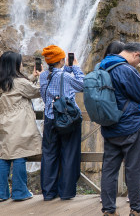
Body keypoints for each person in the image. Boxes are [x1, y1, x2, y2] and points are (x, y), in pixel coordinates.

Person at [98, 42, 140, 216]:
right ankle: (136, 210)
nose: (138, 65)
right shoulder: (125, 69)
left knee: (109, 169)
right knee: (134, 168)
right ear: (137, 55)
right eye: (139, 61)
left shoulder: (102, 66)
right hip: (129, 125)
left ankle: (108, 210)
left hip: (109, 125)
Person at [39, 44, 84, 201]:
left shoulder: (43, 76)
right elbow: (83, 85)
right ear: (61, 60)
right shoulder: (65, 76)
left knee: (49, 154)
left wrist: (67, 70)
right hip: (68, 120)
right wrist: (76, 68)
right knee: (69, 154)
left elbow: (45, 97)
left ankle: (49, 193)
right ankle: (66, 192)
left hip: (50, 119)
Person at [0, 52, 41, 202]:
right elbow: (36, 91)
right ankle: (19, 192)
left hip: (4, 123)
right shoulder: (19, 82)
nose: (22, 64)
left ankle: (1, 193)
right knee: (19, 155)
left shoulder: (3, 81)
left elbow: (17, 87)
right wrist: (41, 77)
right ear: (15, 65)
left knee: (4, 156)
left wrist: (32, 76)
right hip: (18, 124)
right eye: (20, 62)